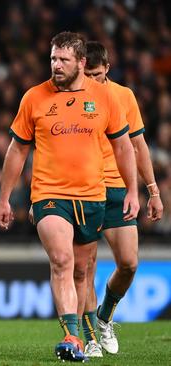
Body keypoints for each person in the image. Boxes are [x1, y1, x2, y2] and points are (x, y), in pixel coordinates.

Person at [0, 32, 139, 362]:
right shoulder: (34, 97)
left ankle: (91, 330)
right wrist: (5, 198)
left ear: (81, 63)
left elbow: (123, 146)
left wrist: (133, 190)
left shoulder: (104, 97)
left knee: (83, 270)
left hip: (92, 196)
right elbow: (17, 150)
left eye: (63, 60)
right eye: (53, 59)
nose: (56, 65)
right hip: (49, 195)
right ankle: (72, 336)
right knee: (62, 260)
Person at [78, 41, 164, 358]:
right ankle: (88, 336)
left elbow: (138, 146)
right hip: (83, 189)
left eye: (98, 75)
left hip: (117, 190)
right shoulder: (73, 97)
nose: (93, 81)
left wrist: (151, 190)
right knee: (84, 267)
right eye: (88, 75)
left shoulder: (123, 96)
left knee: (128, 264)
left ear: (108, 70)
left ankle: (105, 316)